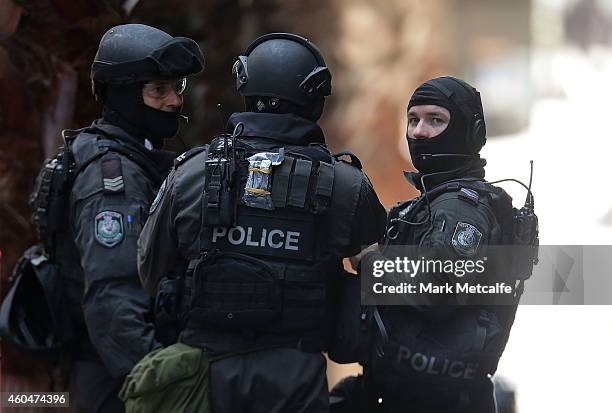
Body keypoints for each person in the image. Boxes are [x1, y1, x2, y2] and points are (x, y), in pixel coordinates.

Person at [137, 32, 386, 413]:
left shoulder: (191, 171)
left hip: (200, 374)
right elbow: (382, 277)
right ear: (315, 97)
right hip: (295, 380)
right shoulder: (346, 186)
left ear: (245, 86)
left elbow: (149, 268)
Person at [26, 24, 204, 412]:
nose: (174, 100)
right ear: (124, 96)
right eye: (158, 90)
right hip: (114, 379)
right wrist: (157, 382)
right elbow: (113, 297)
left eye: (178, 87)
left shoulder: (134, 158)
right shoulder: (113, 178)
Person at [343, 76, 537, 413]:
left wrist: (368, 261)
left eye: (436, 120)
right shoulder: (433, 204)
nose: (418, 132)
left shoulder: (463, 210)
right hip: (410, 392)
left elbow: (435, 289)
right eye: (413, 119)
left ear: (470, 131)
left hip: (439, 399)